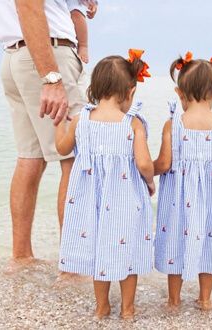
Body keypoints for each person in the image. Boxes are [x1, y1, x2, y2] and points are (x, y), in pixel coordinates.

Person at [0, 0, 97, 270]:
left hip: (16, 57)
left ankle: (22, 258)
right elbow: (27, 5)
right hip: (47, 54)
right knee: (74, 158)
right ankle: (72, 266)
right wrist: (52, 78)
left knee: (30, 158)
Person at [56, 49, 156, 319]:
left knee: (100, 250)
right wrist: (150, 182)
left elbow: (62, 148)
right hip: (125, 201)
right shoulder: (132, 124)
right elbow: (145, 164)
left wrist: (57, 124)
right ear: (130, 92)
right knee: (129, 251)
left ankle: (102, 307)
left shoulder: (81, 121)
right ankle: (127, 308)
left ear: (94, 88)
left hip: (90, 202)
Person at [153, 52, 212, 311]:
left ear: (179, 92)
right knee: (211, 241)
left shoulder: (173, 125)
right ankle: (205, 299)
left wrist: (143, 173)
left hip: (176, 201)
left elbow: (163, 164)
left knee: (175, 238)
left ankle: (173, 300)